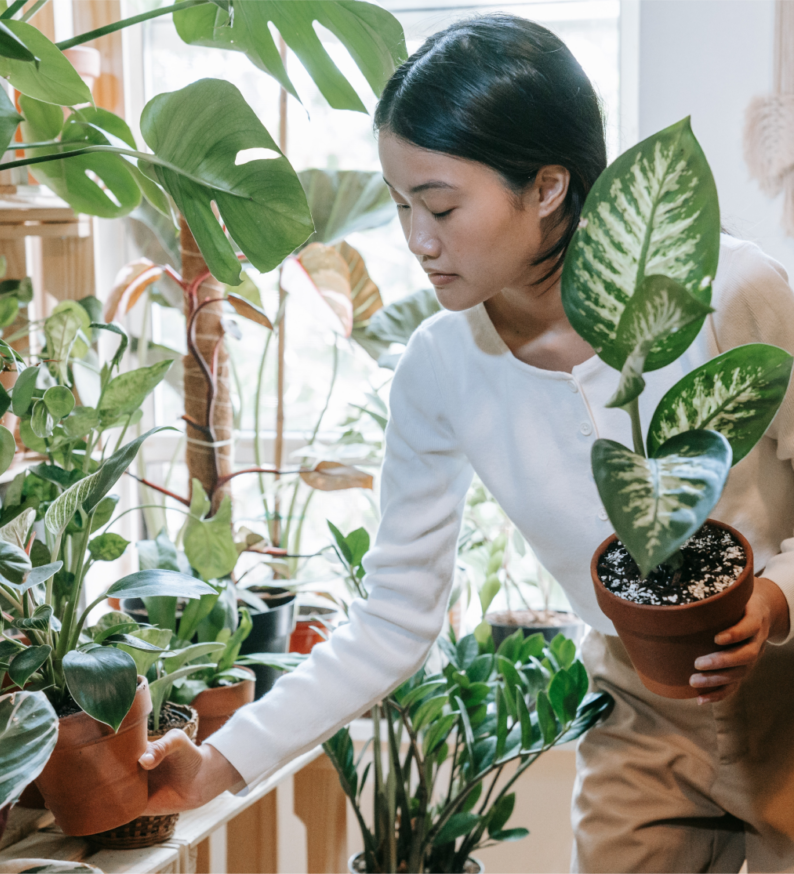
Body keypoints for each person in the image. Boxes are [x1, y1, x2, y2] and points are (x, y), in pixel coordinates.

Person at [139, 14, 794, 874]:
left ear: (548, 187)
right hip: (640, 711)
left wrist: (775, 598)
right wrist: (216, 765)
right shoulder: (440, 367)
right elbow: (393, 617)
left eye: (442, 206)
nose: (418, 240)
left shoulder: (727, 292)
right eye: (402, 205)